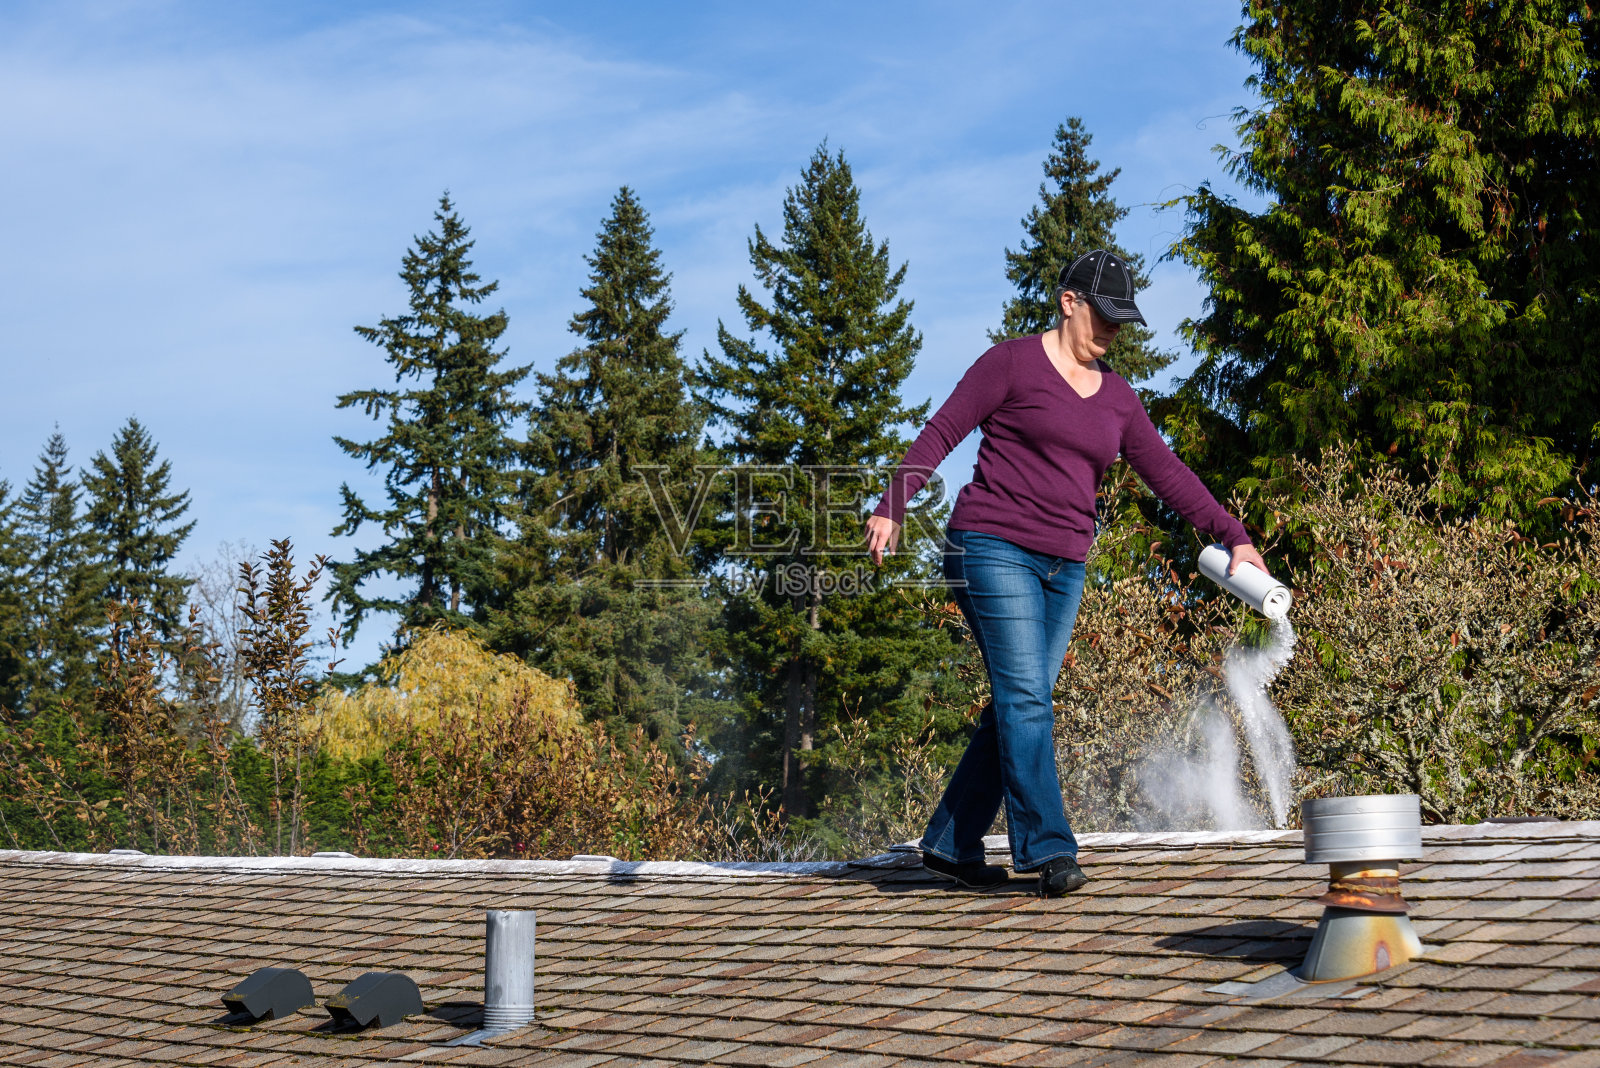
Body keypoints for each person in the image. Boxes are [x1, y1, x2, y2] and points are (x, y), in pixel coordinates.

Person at [864, 249, 1270, 898]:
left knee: (1019, 701)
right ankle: (1048, 851)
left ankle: (949, 839)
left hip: (1065, 567)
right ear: (1069, 301)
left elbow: (1167, 474)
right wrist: (893, 503)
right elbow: (943, 431)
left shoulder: (1116, 398)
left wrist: (1234, 534)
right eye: (1103, 315)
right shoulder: (1012, 363)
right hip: (991, 547)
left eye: (1122, 320)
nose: (1112, 330)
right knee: (1028, 699)